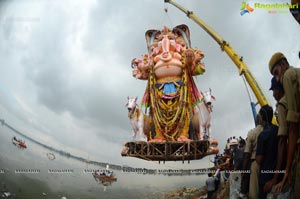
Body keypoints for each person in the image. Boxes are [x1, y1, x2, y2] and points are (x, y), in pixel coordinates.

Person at [268, 52, 300, 197]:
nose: (276, 78)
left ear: (283, 65)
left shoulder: (288, 76)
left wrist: (285, 172)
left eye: (276, 73)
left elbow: (292, 130)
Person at [263, 77, 287, 194]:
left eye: (274, 90)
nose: (273, 94)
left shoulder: (282, 105)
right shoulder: (290, 100)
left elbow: (283, 141)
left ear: (279, 89)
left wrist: (275, 179)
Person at [256, 105, 278, 199]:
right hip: (279, 174)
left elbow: (259, 159)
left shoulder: (262, 135)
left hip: (266, 177)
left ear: (262, 117)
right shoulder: (278, 129)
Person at [243, 114, 263, 199]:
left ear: (256, 121)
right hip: (270, 163)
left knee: (254, 193)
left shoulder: (252, 133)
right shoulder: (270, 130)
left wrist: (244, 171)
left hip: (255, 164)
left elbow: (247, 154)